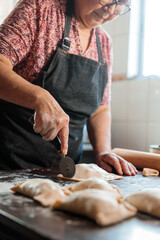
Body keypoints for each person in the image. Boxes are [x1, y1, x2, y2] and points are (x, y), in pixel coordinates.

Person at [0, 0, 138, 175]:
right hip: (8, 164)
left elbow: (100, 108)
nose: (110, 9)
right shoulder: (40, 8)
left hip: (64, 173)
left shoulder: (104, 43)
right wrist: (38, 97)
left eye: (121, 3)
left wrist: (103, 151)